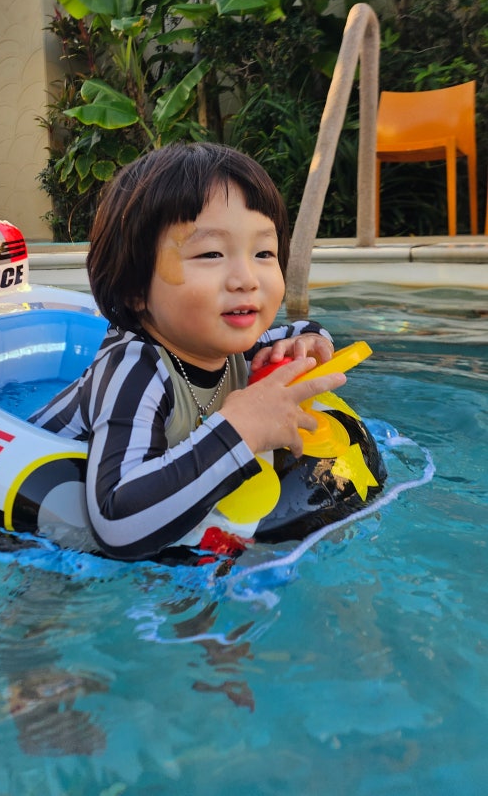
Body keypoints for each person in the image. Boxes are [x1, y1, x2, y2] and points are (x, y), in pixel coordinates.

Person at [30, 142, 346, 561]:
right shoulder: (134, 369)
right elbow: (117, 522)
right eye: (211, 253)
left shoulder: (237, 344)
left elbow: (307, 329)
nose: (246, 279)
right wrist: (241, 429)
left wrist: (310, 343)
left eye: (263, 253)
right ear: (135, 288)